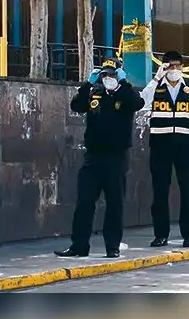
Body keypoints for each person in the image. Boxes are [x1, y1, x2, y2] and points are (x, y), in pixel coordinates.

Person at [55, 58, 144, 258]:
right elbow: (76, 105)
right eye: (104, 75)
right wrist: (87, 84)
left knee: (115, 204)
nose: (108, 79)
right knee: (84, 203)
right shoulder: (95, 93)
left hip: (116, 158)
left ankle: (112, 246)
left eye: (111, 75)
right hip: (93, 157)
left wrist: (124, 84)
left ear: (118, 76)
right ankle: (79, 246)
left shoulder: (125, 94)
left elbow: (138, 103)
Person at [140, 50, 189, 248]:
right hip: (160, 147)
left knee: (188, 191)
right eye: (171, 66)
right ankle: (161, 234)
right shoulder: (156, 88)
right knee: (160, 191)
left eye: (178, 66)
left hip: (186, 147)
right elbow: (141, 103)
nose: (175, 70)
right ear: (163, 67)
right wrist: (156, 79)